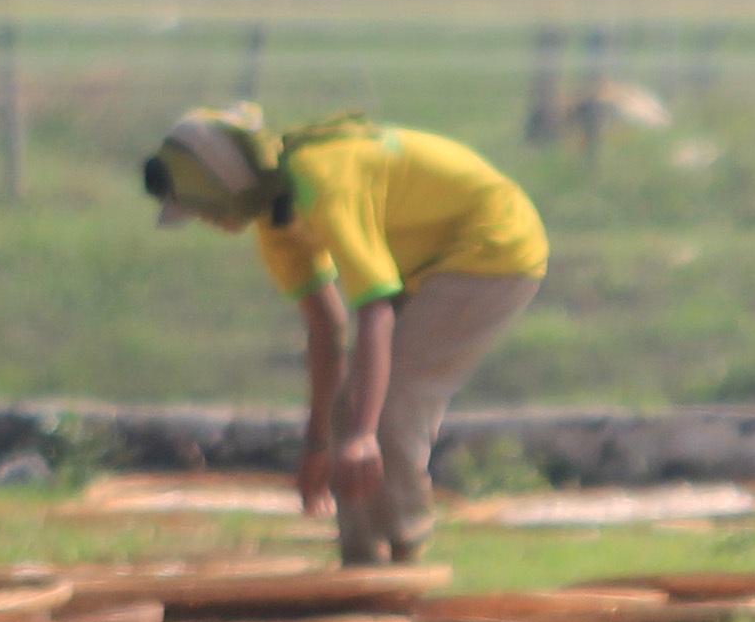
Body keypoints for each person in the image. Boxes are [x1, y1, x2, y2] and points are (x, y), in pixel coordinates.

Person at [143, 104, 548, 566]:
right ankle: (361, 562)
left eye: (198, 205)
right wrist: (320, 441)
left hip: (493, 245)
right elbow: (326, 329)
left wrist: (361, 435)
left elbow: (374, 310)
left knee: (392, 399)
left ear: (221, 181)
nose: (205, 219)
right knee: (353, 409)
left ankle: (405, 553)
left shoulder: (322, 181)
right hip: (425, 262)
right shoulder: (276, 225)